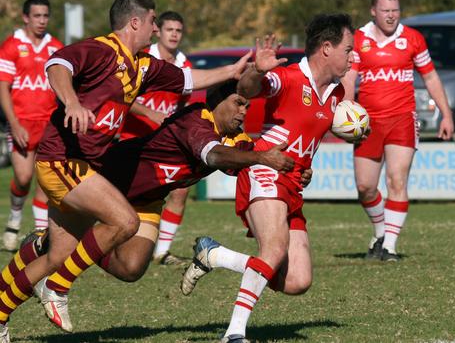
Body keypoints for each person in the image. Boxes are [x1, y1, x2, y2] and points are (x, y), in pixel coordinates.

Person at [0, 0, 250, 341]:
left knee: (59, 253)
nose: (155, 29)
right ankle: (57, 287)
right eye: (152, 22)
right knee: (125, 221)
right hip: (62, 160)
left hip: (83, 166)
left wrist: (235, 69)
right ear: (136, 22)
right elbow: (58, 64)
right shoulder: (102, 50)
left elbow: (188, 80)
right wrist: (71, 101)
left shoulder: (142, 64)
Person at [0, 81, 297, 332]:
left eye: (247, 106)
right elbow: (215, 157)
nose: (244, 112)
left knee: (131, 268)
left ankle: (49, 245)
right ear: (218, 102)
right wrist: (261, 158)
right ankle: (10, 306)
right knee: (59, 254)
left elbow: (243, 158)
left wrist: (289, 168)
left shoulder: (235, 137)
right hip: (108, 181)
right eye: (239, 103)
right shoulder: (194, 120)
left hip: (146, 200)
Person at [180, 14, 355, 343]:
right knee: (273, 248)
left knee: (297, 281)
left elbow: (305, 139)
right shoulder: (288, 78)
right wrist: (258, 70)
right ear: (327, 48)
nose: (352, 56)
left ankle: (215, 255)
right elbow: (249, 89)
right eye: (348, 49)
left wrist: (306, 167)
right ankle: (234, 334)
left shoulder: (337, 92)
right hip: (264, 168)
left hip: (291, 182)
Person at [340, 0, 454, 261]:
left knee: (396, 180)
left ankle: (390, 246)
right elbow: (349, 79)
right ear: (373, 11)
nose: (391, 16)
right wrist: (345, 110)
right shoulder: (359, 39)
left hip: (403, 118)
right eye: (385, 11)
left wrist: (446, 114)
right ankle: (381, 232)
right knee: (365, 187)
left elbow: (431, 79)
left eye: (395, 11)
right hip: (367, 123)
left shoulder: (413, 39)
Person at [120, 10, 194, 265]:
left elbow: (182, 105)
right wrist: (151, 113)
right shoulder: (142, 58)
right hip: (132, 138)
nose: (174, 34)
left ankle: (162, 252)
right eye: (170, 29)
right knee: (121, 196)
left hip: (163, 143)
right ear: (158, 32)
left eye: (178, 30)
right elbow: (123, 98)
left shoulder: (185, 65)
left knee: (181, 189)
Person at [0, 0, 63, 251]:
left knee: (45, 181)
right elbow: (3, 88)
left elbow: (62, 85)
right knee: (23, 177)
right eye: (36, 15)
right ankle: (14, 219)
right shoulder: (12, 45)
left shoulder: (55, 47)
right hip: (22, 123)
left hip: (49, 124)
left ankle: (40, 238)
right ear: (26, 17)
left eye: (45, 15)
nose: (41, 20)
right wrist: (13, 123)